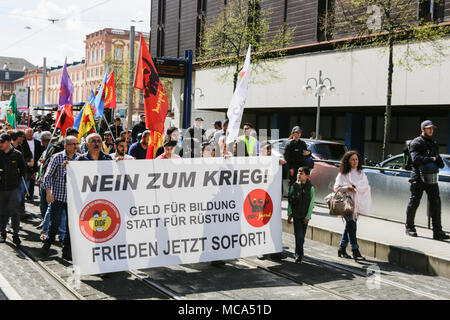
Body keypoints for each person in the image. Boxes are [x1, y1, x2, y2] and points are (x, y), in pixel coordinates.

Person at [405, 120, 449, 240]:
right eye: (429, 128)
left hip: (432, 177)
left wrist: (436, 160)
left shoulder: (434, 143)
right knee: (414, 203)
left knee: (436, 204)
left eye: (432, 128)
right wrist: (432, 158)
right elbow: (415, 159)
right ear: (423, 129)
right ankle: (409, 227)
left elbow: (439, 162)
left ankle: (438, 232)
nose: (431, 130)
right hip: (418, 177)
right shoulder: (416, 142)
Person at [40, 135, 80, 260]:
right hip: (57, 197)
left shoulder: (79, 159)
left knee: (70, 226)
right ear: (65, 145)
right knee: (55, 224)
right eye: (72, 144)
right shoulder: (56, 157)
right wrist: (48, 192)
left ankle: (66, 251)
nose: (75, 147)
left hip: (73, 200)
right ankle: (47, 245)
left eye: (76, 144)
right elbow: (47, 177)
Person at [334, 150, 371, 261]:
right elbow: (337, 188)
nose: (355, 162)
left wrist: (357, 188)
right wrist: (348, 188)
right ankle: (355, 250)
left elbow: (365, 187)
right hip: (347, 203)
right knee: (352, 226)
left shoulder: (361, 173)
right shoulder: (343, 174)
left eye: (356, 159)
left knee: (349, 226)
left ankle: (342, 248)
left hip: (358, 203)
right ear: (347, 161)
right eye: (352, 159)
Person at [0, 133, 26, 246]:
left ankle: (16, 234)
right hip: (1, 189)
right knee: (2, 212)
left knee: (15, 212)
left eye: (2, 142)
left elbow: (23, 170)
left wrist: (19, 183)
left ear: (9, 142)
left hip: (14, 188)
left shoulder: (17, 154)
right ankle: (2, 233)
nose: (0, 144)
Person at [287, 167, 315, 264]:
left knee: (301, 237)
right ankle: (299, 255)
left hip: (305, 215)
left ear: (307, 176)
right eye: (298, 173)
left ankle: (297, 252)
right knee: (298, 236)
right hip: (296, 215)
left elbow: (312, 203)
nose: (299, 175)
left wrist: (308, 216)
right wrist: (289, 214)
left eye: (302, 173)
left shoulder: (310, 187)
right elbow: (290, 201)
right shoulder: (294, 186)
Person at [21, 128, 43, 201]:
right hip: (25, 164)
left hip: (34, 164)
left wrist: (38, 162)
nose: (30, 134)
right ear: (25, 133)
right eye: (28, 132)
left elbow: (40, 153)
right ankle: (23, 195)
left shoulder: (37, 142)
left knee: (32, 181)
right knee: (25, 180)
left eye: (31, 132)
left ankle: (30, 196)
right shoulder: (22, 142)